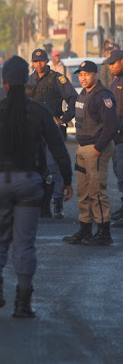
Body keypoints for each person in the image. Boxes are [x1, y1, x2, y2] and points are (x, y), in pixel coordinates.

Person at [0, 55, 72, 318]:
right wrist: (68, 180)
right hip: (29, 182)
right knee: (25, 243)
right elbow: (59, 149)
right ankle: (23, 302)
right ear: (25, 80)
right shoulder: (39, 112)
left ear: (4, 83)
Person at [63, 60, 117, 246]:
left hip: (96, 148)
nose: (83, 78)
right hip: (82, 148)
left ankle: (103, 233)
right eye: (80, 74)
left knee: (97, 191)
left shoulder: (103, 96)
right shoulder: (82, 95)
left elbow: (111, 126)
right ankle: (85, 229)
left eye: (86, 74)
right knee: (83, 191)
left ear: (96, 75)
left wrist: (97, 148)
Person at [26, 48, 77, 219]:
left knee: (54, 167)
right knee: (36, 167)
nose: (38, 64)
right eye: (35, 61)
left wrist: (64, 118)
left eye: (41, 61)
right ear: (32, 62)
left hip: (53, 130)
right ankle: (42, 204)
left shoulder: (57, 78)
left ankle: (57, 203)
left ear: (47, 61)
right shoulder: (29, 80)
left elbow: (73, 98)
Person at [107, 50, 123, 227]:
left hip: (122, 135)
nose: (111, 67)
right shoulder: (114, 82)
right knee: (119, 172)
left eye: (113, 63)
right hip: (115, 137)